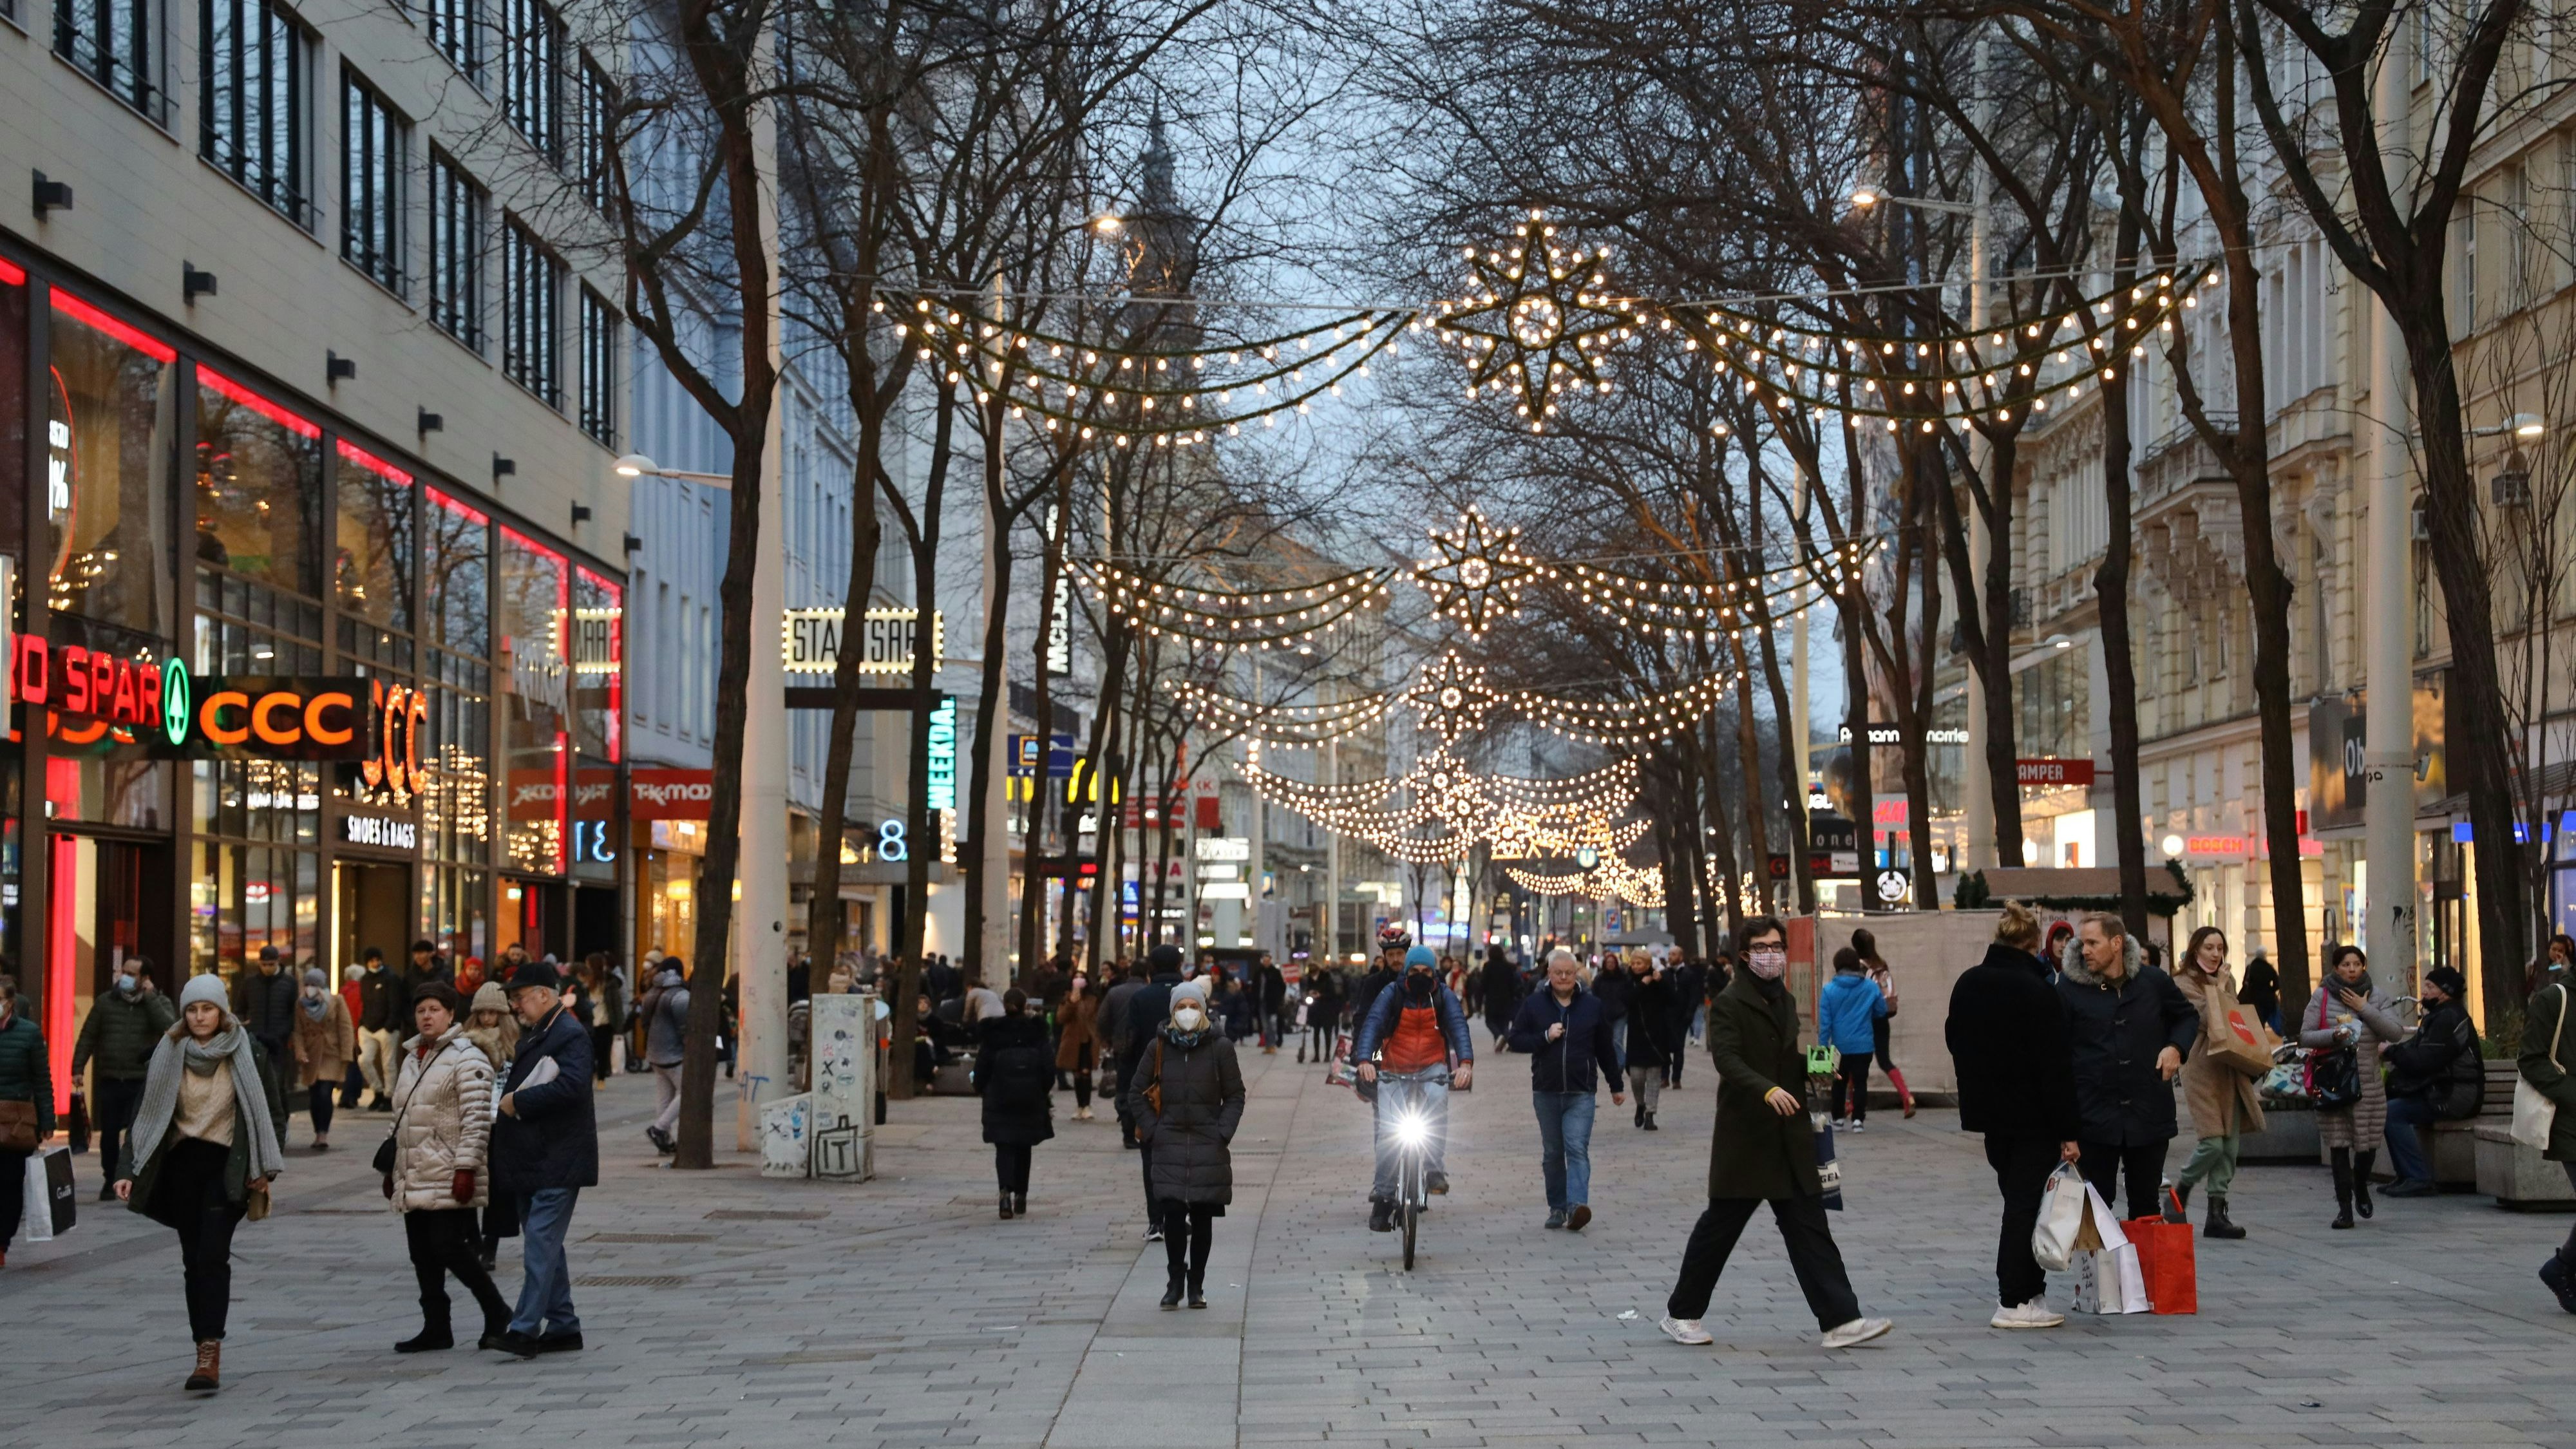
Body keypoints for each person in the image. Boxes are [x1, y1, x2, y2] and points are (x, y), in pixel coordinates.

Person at [1657, 916, 1892, 1351]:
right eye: (1762, 947)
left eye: (1777, 946)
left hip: (1790, 1138)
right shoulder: (1729, 1002)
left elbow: (1787, 1059)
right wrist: (1766, 1090)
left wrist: (1822, 1063)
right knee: (1719, 1231)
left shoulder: (1783, 998)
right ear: (1746, 955)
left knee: (1810, 1229)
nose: (1771, 954)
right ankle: (1680, 1313)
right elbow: (1727, 1060)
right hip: (1746, 1139)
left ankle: (1842, 1320)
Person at [115, 972, 287, 1392]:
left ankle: (210, 1351)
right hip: (180, 1168)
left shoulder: (251, 1052)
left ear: (222, 1011)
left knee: (212, 1256)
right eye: (192, 1010)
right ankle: (201, 1345)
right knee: (194, 1260)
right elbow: (145, 1116)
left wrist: (265, 1167)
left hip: (228, 1168)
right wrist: (126, 1170)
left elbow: (273, 1113)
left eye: (207, 1008)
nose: (199, 1016)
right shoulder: (168, 1051)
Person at [1945, 901, 2081, 1330]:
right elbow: (2055, 1066)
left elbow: (1954, 1038)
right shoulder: (2040, 990)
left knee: (2019, 1199)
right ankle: (2013, 1299)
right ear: (2032, 942)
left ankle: (2032, 1291)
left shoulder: (1969, 982)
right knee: (2025, 1206)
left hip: (1989, 1115)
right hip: (2034, 1116)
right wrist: (2069, 1129)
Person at [383, 980, 512, 1352]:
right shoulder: (412, 1058)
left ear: (451, 1014)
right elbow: (400, 1117)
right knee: (421, 1253)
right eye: (421, 1010)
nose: (427, 1016)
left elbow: (476, 1120)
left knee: (449, 1247)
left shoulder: (468, 1057)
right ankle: (437, 1327)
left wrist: (466, 1168)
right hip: (413, 1168)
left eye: (434, 1009)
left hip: (447, 1169)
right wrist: (391, 1169)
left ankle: (498, 1311)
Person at [488, 958, 599, 1357]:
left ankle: (524, 1328)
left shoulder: (569, 1033)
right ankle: (564, 1325)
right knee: (546, 1243)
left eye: (520, 997)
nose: (516, 1005)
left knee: (540, 1242)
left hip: (557, 1157)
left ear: (544, 995)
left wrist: (519, 1101)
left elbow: (571, 1088)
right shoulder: (541, 1032)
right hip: (534, 1157)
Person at [2058, 913, 2196, 1221]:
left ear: (2117, 943)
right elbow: (2058, 1057)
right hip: (2094, 1117)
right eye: (2083, 943)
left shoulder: (2153, 982)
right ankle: (2100, 1270)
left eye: (2093, 943)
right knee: (2094, 1209)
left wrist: (2176, 1048)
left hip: (2147, 1112)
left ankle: (2144, 1269)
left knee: (2146, 1206)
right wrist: (2066, 1131)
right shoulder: (2069, 989)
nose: (2085, 950)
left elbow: (2187, 1017)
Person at [1126, 978, 1245, 1309]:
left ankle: (1197, 1284)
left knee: (1204, 1217)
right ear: (1172, 1012)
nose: (1188, 1012)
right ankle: (1175, 1279)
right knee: (1174, 1214)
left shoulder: (1220, 1047)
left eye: (1194, 1006)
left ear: (1203, 1009)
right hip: (1169, 1141)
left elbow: (1235, 1095)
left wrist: (1223, 1131)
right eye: (1181, 1007)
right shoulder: (1159, 1048)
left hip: (1209, 1142)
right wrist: (1154, 1130)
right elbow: (1137, 1093)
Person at [1352, 945, 1476, 1231]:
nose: (1421, 976)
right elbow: (1372, 1025)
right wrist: (1365, 1061)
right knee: (1388, 1132)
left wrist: (1466, 1064)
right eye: (1415, 971)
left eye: (1427, 971)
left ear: (1434, 973)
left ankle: (1434, 1169)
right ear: (1407, 972)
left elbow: (1458, 1026)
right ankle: (1383, 1196)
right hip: (1394, 1069)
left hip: (1432, 1066)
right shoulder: (1391, 995)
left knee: (1437, 1104)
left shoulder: (1443, 995)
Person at [1506, 947, 1624, 1229]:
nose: (1563, 978)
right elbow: (1515, 1040)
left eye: (1568, 973)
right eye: (1558, 973)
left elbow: (1605, 1049)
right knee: (1553, 1153)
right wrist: (1545, 1037)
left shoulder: (1592, 1006)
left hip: (1581, 1091)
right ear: (1549, 974)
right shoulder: (1535, 1004)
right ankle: (1557, 1208)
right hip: (1546, 1090)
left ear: (1577, 975)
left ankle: (1576, 1207)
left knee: (1577, 1148)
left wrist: (1616, 1085)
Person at [2301, 943, 2406, 1229]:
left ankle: (2361, 1185)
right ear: (2336, 968)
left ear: (2364, 967)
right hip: (2333, 1082)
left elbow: (2395, 1033)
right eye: (2345, 965)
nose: (2351, 970)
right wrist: (2334, 1035)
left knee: (2368, 1144)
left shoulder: (2378, 996)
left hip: (2368, 1084)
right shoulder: (2322, 996)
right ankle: (2345, 1208)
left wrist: (2365, 1009)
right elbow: (2306, 1036)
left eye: (2356, 965)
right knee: (2338, 1145)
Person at [2166, 927, 2260, 1238]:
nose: (2215, 954)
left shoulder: (2227, 981)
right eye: (2209, 947)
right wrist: (2220, 988)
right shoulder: (2182, 983)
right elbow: (2208, 1019)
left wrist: (2224, 987)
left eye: (2220, 947)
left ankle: (2216, 1214)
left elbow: (2234, 1019)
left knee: (2230, 1146)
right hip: (2202, 1067)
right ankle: (2181, 1189)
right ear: (2195, 949)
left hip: (2229, 1066)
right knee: (2212, 1142)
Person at [72, 960, 175, 1200]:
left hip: (142, 1080)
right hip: (110, 1078)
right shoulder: (106, 1002)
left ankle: (136, 1178)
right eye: (124, 972)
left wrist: (150, 998)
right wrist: (78, 1067)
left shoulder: (158, 1002)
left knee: (138, 1133)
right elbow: (88, 1035)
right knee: (108, 1134)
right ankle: (111, 1179)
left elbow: (169, 1028)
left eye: (132, 974)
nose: (125, 977)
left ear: (145, 978)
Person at [2382, 965, 2477, 1198]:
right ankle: (2406, 1175)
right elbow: (2416, 1047)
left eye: (2430, 987)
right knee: (2391, 1107)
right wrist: (2392, 1050)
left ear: (2445, 992)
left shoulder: (2449, 1018)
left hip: (2454, 1095)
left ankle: (2417, 1177)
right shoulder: (2440, 1015)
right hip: (2443, 1089)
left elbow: (2425, 1060)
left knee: (2391, 1113)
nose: (2424, 992)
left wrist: (2390, 1052)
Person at [1119, 945, 1187, 1238]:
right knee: (1185, 1155)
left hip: (1151, 1089)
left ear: (1151, 969)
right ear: (1180, 963)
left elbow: (1130, 1046)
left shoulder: (1141, 998)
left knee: (1151, 1155)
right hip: (1187, 1084)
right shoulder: (1192, 996)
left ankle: (1157, 1220)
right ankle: (1178, 1217)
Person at [2521, 954, 2576, 1311]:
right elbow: (2531, 1059)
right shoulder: (2555, 998)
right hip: (2572, 1120)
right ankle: (2561, 1268)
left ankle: (2562, 1268)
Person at [976, 988, 1055, 1218]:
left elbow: (982, 1067)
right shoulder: (1036, 1032)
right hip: (1030, 1099)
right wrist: (1041, 1090)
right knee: (1024, 1146)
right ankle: (1021, 1195)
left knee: (1004, 1146)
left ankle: (1004, 1195)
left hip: (999, 1099)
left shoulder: (993, 1033)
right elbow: (1049, 1067)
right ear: (1024, 1005)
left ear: (1005, 1005)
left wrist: (983, 1089)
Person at [462, 982, 522, 1271]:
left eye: (493, 1013)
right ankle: (473, 1240)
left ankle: (490, 1245)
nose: (487, 1019)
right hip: (473, 1120)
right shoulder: (465, 1043)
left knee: (499, 1188)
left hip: (503, 1122)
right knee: (469, 1185)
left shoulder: (515, 1043)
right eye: (482, 1013)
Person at [0, 980, 58, 1264]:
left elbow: (41, 1080)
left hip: (16, 1122)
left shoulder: (29, 1034)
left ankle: (2, 1240)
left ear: (10, 1003)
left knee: (10, 1183)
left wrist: (47, 1119)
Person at [1816, 947, 1888, 1132]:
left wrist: (1823, 1047)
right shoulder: (1871, 987)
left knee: (1839, 1082)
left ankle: (1838, 1119)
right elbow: (1881, 1010)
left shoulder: (1829, 990)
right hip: (1864, 1044)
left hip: (1839, 1046)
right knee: (1861, 1081)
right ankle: (1858, 1121)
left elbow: (1825, 1024)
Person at [290, 968, 356, 1151]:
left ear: (322, 986)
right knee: (314, 1096)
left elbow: (345, 1028)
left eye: (314, 985)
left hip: (331, 1053)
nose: (311, 988)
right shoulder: (300, 1004)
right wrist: (300, 1051)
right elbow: (297, 1031)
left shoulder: (336, 1001)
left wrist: (346, 1055)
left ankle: (323, 1134)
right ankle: (317, 1131)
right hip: (311, 1055)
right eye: (308, 985)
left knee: (325, 1093)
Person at [1852, 928, 1914, 1118]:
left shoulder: (1859, 968)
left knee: (1854, 1060)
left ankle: (1848, 1103)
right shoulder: (1882, 964)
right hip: (1882, 1020)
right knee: (1885, 1060)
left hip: (1864, 1020)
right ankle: (1907, 1096)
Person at [1625, 952, 1682, 1131]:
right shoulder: (1629, 981)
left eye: (1639, 963)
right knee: (1636, 1078)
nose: (1636, 966)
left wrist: (1661, 982)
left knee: (1654, 1078)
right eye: (1633, 963)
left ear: (1648, 964)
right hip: (1637, 1036)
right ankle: (1640, 1104)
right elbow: (1628, 1001)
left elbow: (1674, 1000)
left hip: (1657, 1036)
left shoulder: (1659, 980)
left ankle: (1650, 1114)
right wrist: (1643, 984)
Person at [641, 957, 688, 1154]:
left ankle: (665, 1142)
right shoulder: (681, 995)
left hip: (654, 1053)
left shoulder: (651, 993)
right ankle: (659, 1129)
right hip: (674, 1054)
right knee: (688, 1092)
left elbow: (644, 1024)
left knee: (664, 1098)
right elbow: (685, 1027)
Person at [354, 948, 404, 1110]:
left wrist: (390, 1026)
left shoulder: (391, 978)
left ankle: (389, 1097)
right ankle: (378, 1091)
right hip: (368, 1028)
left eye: (378, 959)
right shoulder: (365, 979)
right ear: (367, 962)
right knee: (364, 1060)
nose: (376, 963)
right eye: (372, 960)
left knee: (388, 1064)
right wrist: (362, 1024)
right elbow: (364, 1003)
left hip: (386, 1028)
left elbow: (395, 1003)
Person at [237, 945, 298, 1069]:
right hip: (255, 1039)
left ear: (278, 962)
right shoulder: (249, 983)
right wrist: (247, 1028)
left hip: (279, 1042)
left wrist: (285, 1032)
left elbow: (294, 1013)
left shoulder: (290, 983)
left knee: (276, 1080)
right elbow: (240, 1008)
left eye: (271, 964)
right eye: (264, 964)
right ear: (259, 963)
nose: (267, 968)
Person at [1054, 977, 1101, 1122]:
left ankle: (1086, 1106)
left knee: (1086, 1073)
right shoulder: (1067, 999)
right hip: (1072, 1042)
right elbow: (1061, 1018)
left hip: (1088, 1040)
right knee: (1077, 1074)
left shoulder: (1093, 1000)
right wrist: (1072, 1003)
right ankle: (1079, 1106)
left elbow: (1096, 1018)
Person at [584, 953, 623, 1086]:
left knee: (602, 1052)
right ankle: (595, 1078)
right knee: (593, 1052)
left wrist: (619, 1024)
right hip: (591, 1021)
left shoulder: (609, 982)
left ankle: (601, 1079)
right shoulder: (586, 981)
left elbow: (616, 1004)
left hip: (604, 1021)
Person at [1480, 945, 1520, 1048]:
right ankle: (1505, 1042)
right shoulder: (1508, 967)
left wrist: (1481, 998)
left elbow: (1483, 984)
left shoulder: (1488, 966)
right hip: (1506, 999)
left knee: (1490, 1021)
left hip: (1492, 999)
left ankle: (1499, 1037)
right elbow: (1512, 984)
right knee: (1504, 1023)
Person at [1302, 963, 1343, 1065]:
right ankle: (1316, 1055)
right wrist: (1309, 993)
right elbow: (1306, 990)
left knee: (1327, 1033)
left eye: (1314, 973)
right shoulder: (1310, 980)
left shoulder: (1327, 978)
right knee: (1315, 1033)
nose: (1313, 975)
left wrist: (1321, 995)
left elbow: (1332, 993)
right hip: (1315, 1010)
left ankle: (1327, 1055)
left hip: (1327, 1009)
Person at [2239, 947, 2282, 1033]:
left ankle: (2259, 1040)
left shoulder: (2251, 967)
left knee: (2257, 1023)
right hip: (2268, 1001)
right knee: (2266, 1019)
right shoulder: (2269, 968)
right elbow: (2277, 984)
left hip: (2253, 999)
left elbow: (2245, 983)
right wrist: (2271, 990)